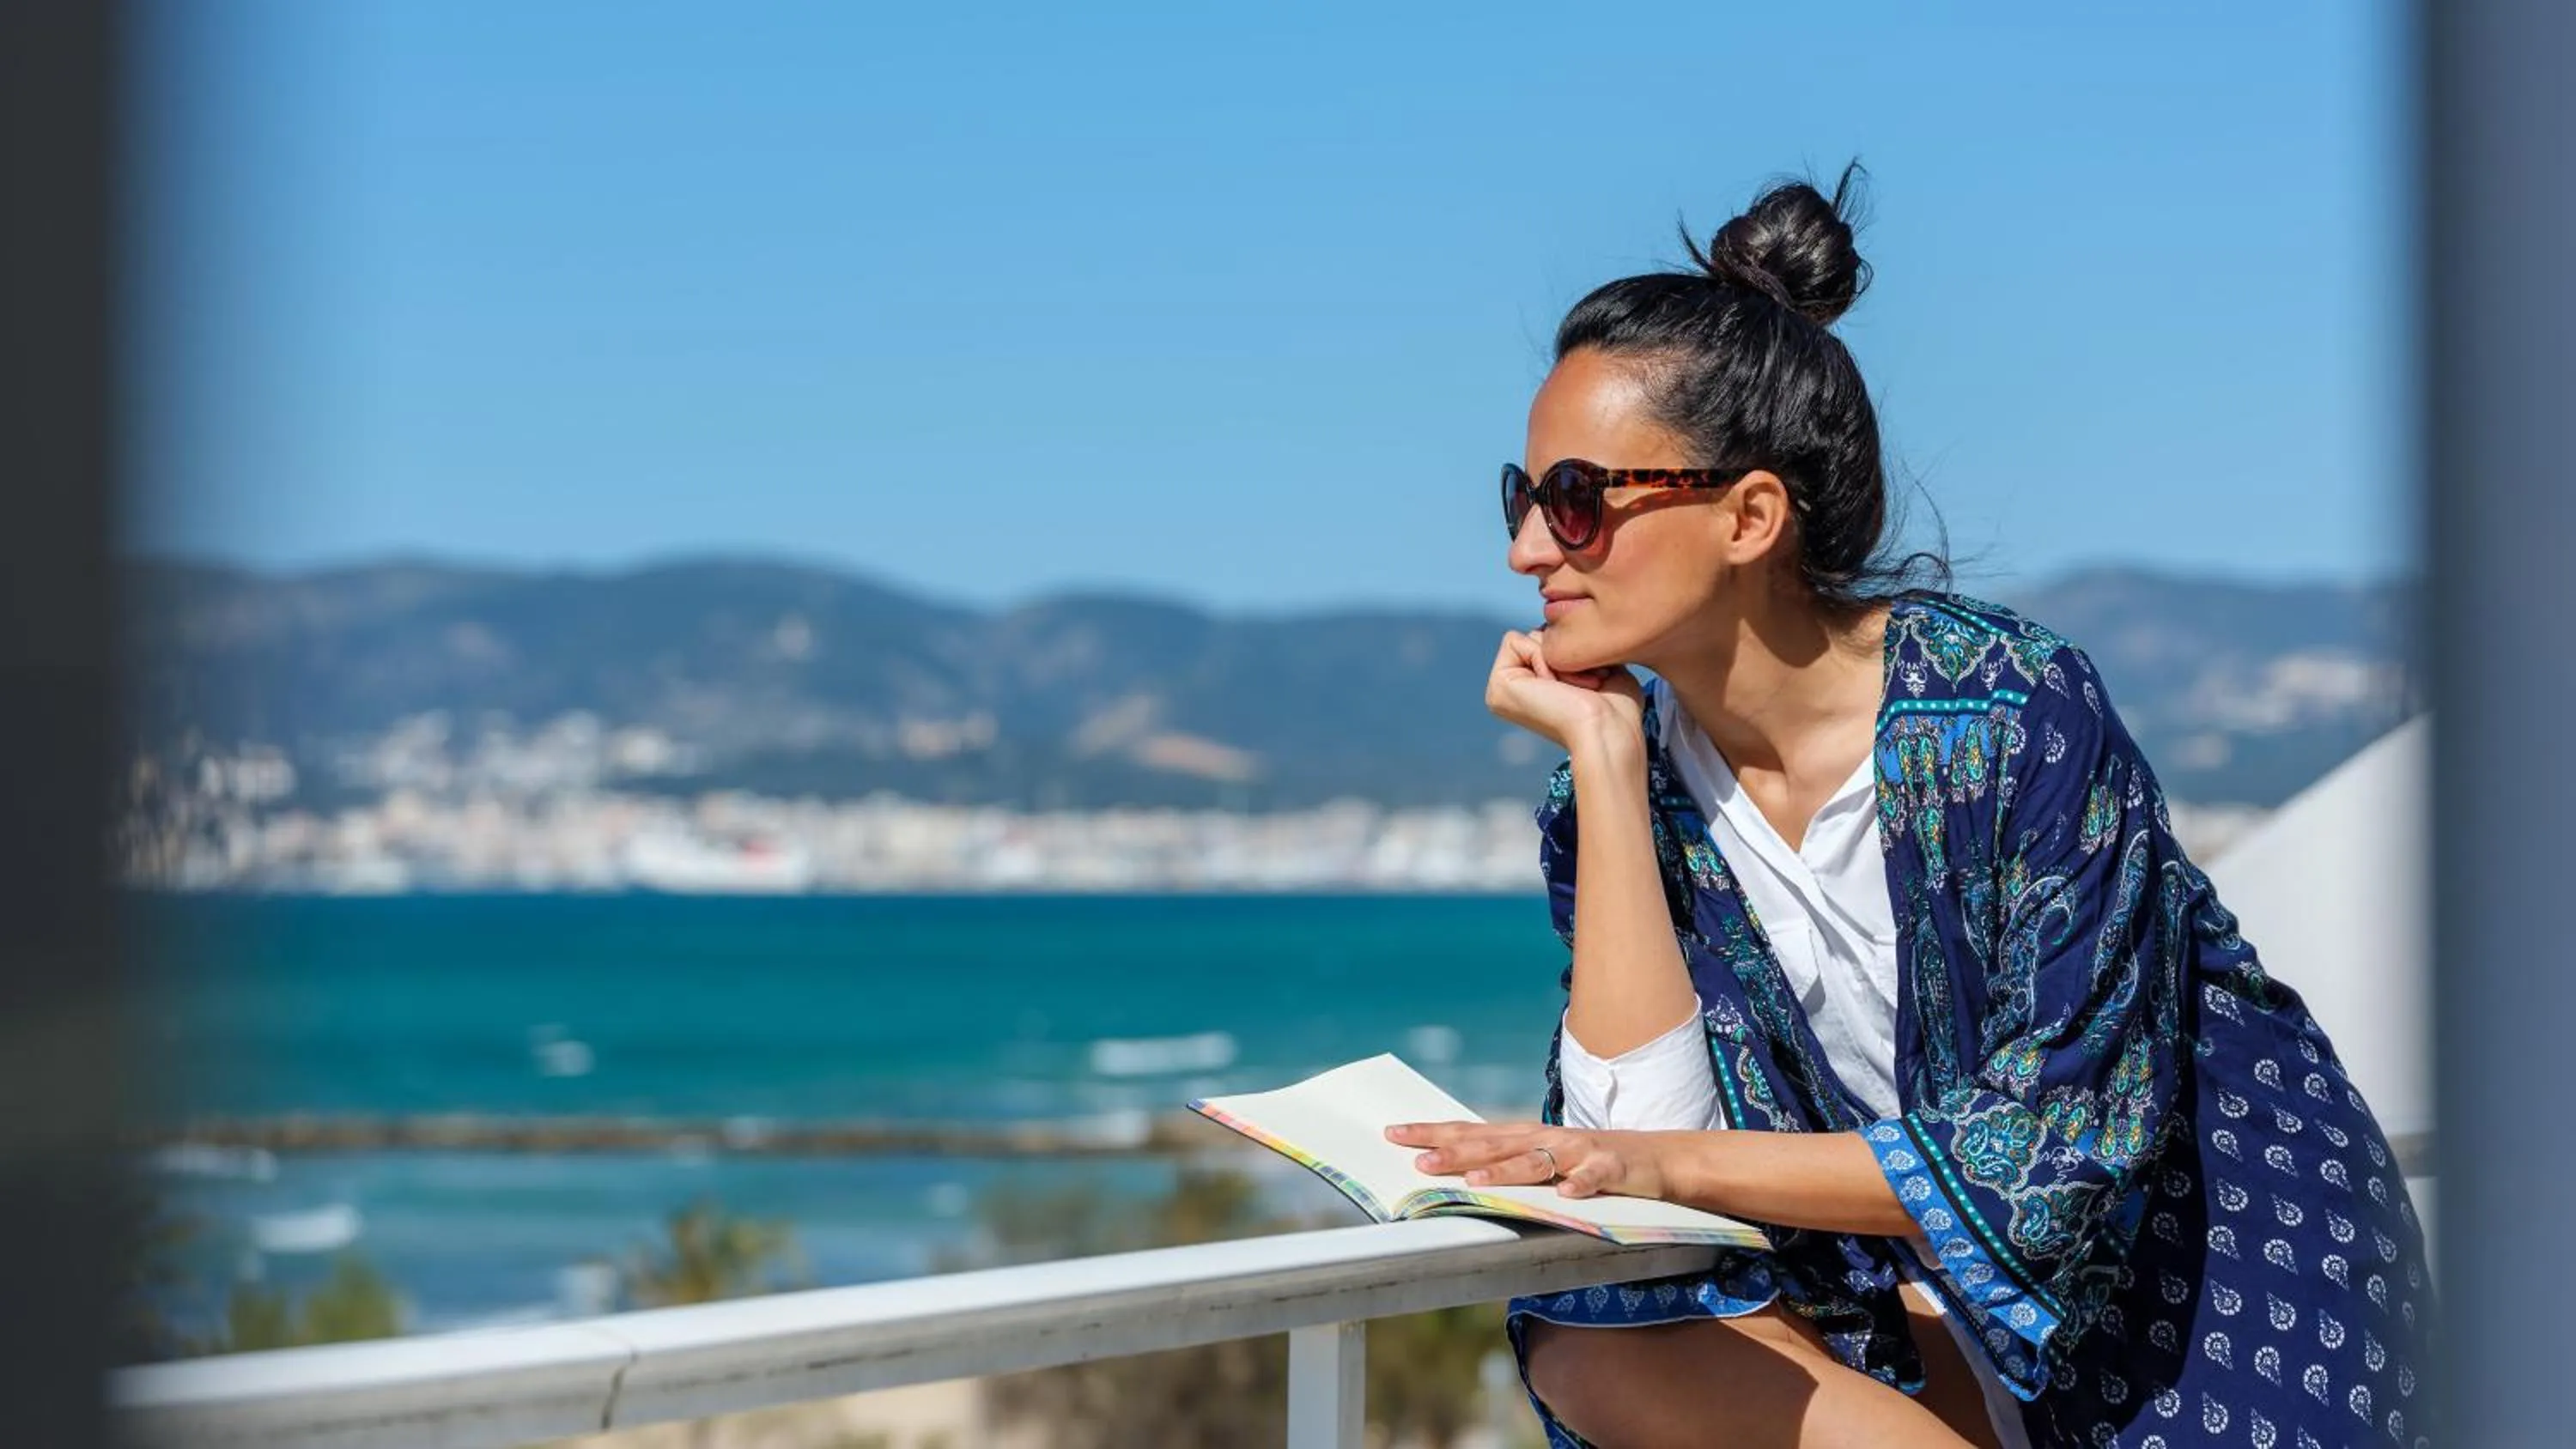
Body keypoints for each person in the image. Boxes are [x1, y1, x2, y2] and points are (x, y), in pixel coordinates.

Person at [1384, 166, 2434, 1448]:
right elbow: (1636, 1203)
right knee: (1597, 1341)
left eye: (1577, 501)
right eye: (1523, 497)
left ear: (1749, 515)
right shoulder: (1627, 793)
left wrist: (1662, 1172)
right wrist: (1605, 765)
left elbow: (2055, 1159)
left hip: (2211, 1308)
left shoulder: (2008, 715)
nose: (1527, 551)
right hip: (1927, 1315)